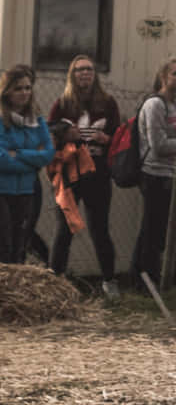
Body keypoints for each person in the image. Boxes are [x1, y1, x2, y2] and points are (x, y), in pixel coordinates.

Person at [46, 55, 120, 286]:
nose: (84, 73)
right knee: (65, 230)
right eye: (79, 70)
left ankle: (109, 283)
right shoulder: (63, 103)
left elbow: (119, 138)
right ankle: (55, 285)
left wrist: (106, 138)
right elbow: (50, 134)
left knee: (100, 230)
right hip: (68, 175)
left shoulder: (107, 102)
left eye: (88, 69)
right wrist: (66, 135)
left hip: (97, 174)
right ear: (72, 75)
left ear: (94, 74)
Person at [131, 57, 176, 288]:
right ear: (164, 77)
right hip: (154, 174)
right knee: (152, 229)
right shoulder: (155, 104)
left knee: (161, 229)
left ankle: (147, 275)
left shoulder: (175, 105)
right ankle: (145, 279)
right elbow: (159, 145)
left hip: (170, 173)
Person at [0, 67, 53, 264]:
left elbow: (47, 154)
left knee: (20, 245)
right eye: (18, 89)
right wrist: (32, 160)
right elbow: (1, 159)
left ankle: (13, 293)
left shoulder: (37, 121)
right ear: (7, 92)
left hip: (26, 190)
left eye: (28, 88)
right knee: (4, 244)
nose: (24, 93)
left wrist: (19, 154)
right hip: (2, 191)